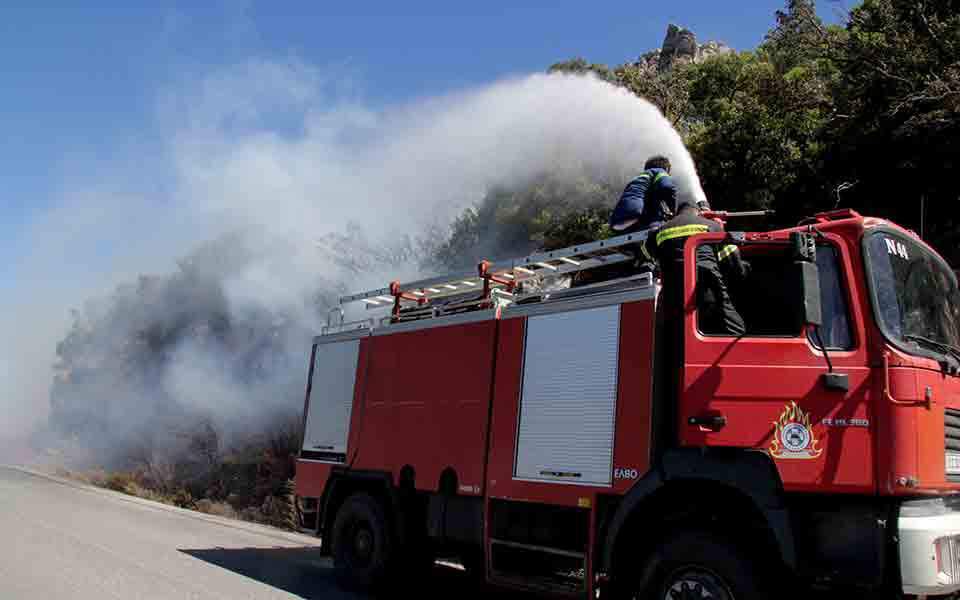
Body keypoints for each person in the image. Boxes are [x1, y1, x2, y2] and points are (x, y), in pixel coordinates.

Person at [642, 197, 749, 337]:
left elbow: (645, 252)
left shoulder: (661, 231)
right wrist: (719, 227)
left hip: (673, 300)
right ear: (698, 212)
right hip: (709, 294)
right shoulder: (711, 226)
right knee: (737, 332)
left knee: (673, 341)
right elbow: (734, 264)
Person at [609, 155, 679, 273]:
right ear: (666, 168)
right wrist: (674, 211)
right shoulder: (659, 172)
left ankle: (635, 254)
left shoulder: (639, 178)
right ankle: (650, 258)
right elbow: (667, 187)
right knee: (661, 228)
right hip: (637, 213)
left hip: (619, 220)